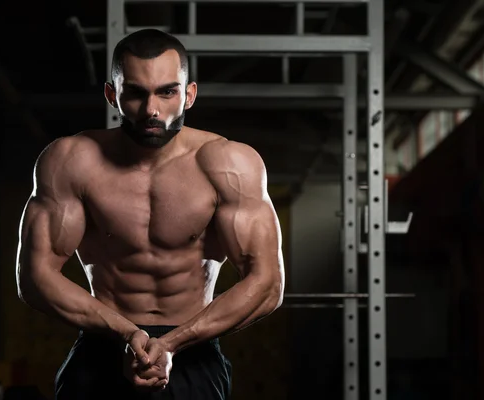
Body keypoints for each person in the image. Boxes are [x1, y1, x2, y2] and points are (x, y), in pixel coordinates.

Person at [15, 28, 285, 399]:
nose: (152, 110)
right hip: (101, 346)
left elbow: (267, 284)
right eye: (136, 93)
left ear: (189, 94)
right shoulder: (71, 161)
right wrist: (127, 333)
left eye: (167, 92)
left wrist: (174, 343)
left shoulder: (229, 164)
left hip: (194, 348)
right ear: (113, 94)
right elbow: (34, 276)